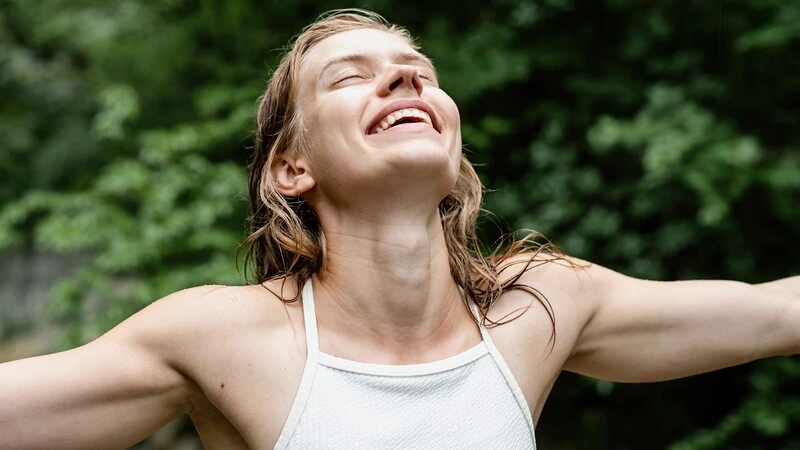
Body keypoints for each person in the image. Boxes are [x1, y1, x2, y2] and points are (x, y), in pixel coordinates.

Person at [1, 9, 798, 449]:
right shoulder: (218, 338)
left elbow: (776, 313)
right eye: (351, 76)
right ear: (291, 169)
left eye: (418, 69)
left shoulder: (539, 311)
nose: (407, 75)